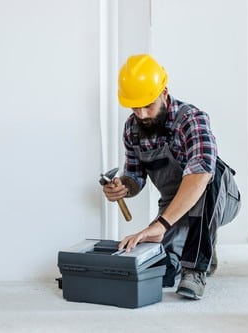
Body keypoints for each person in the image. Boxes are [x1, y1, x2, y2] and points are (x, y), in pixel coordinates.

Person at [102, 54, 240, 300]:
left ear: (164, 93)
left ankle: (195, 268)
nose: (142, 114)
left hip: (221, 197)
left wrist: (159, 226)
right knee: (162, 266)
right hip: (175, 205)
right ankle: (199, 247)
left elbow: (200, 174)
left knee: (211, 174)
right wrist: (123, 186)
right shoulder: (132, 129)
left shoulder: (191, 119)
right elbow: (135, 177)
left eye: (148, 105)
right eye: (135, 107)